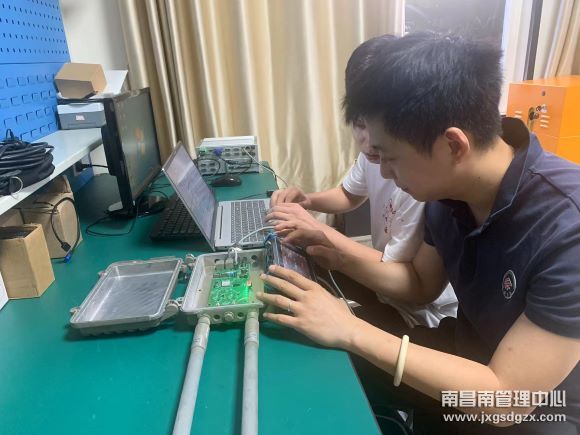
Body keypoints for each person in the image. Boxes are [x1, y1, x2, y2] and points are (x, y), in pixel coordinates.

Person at [256, 32, 580, 434]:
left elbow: (506, 399)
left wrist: (352, 329)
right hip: (468, 351)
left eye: (389, 157)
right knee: (314, 356)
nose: (384, 172)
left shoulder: (567, 228)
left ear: (453, 145)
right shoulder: (447, 192)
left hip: (536, 407)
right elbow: (422, 285)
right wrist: (334, 255)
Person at [268, 35, 457, 330]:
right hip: (387, 286)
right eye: (358, 125)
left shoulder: (422, 183)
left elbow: (415, 284)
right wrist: (309, 201)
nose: (368, 144)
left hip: (418, 313)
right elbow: (349, 194)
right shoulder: (376, 154)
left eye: (377, 134)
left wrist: (321, 232)